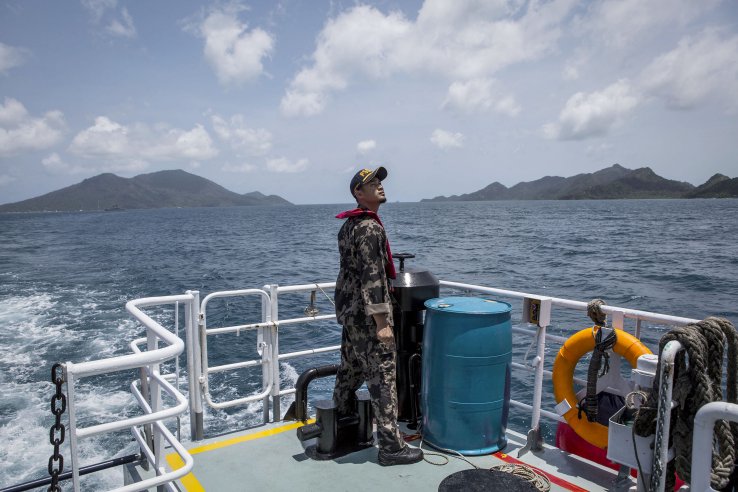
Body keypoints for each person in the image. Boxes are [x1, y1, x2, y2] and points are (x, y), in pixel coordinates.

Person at [332, 166, 423, 466]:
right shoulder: (370, 228)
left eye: (380, 181)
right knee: (383, 378)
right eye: (372, 183)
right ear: (359, 192)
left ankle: (340, 423)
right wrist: (382, 322)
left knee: (350, 370)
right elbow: (372, 276)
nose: (380, 186)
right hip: (369, 318)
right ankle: (390, 448)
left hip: (351, 314)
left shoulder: (349, 226)